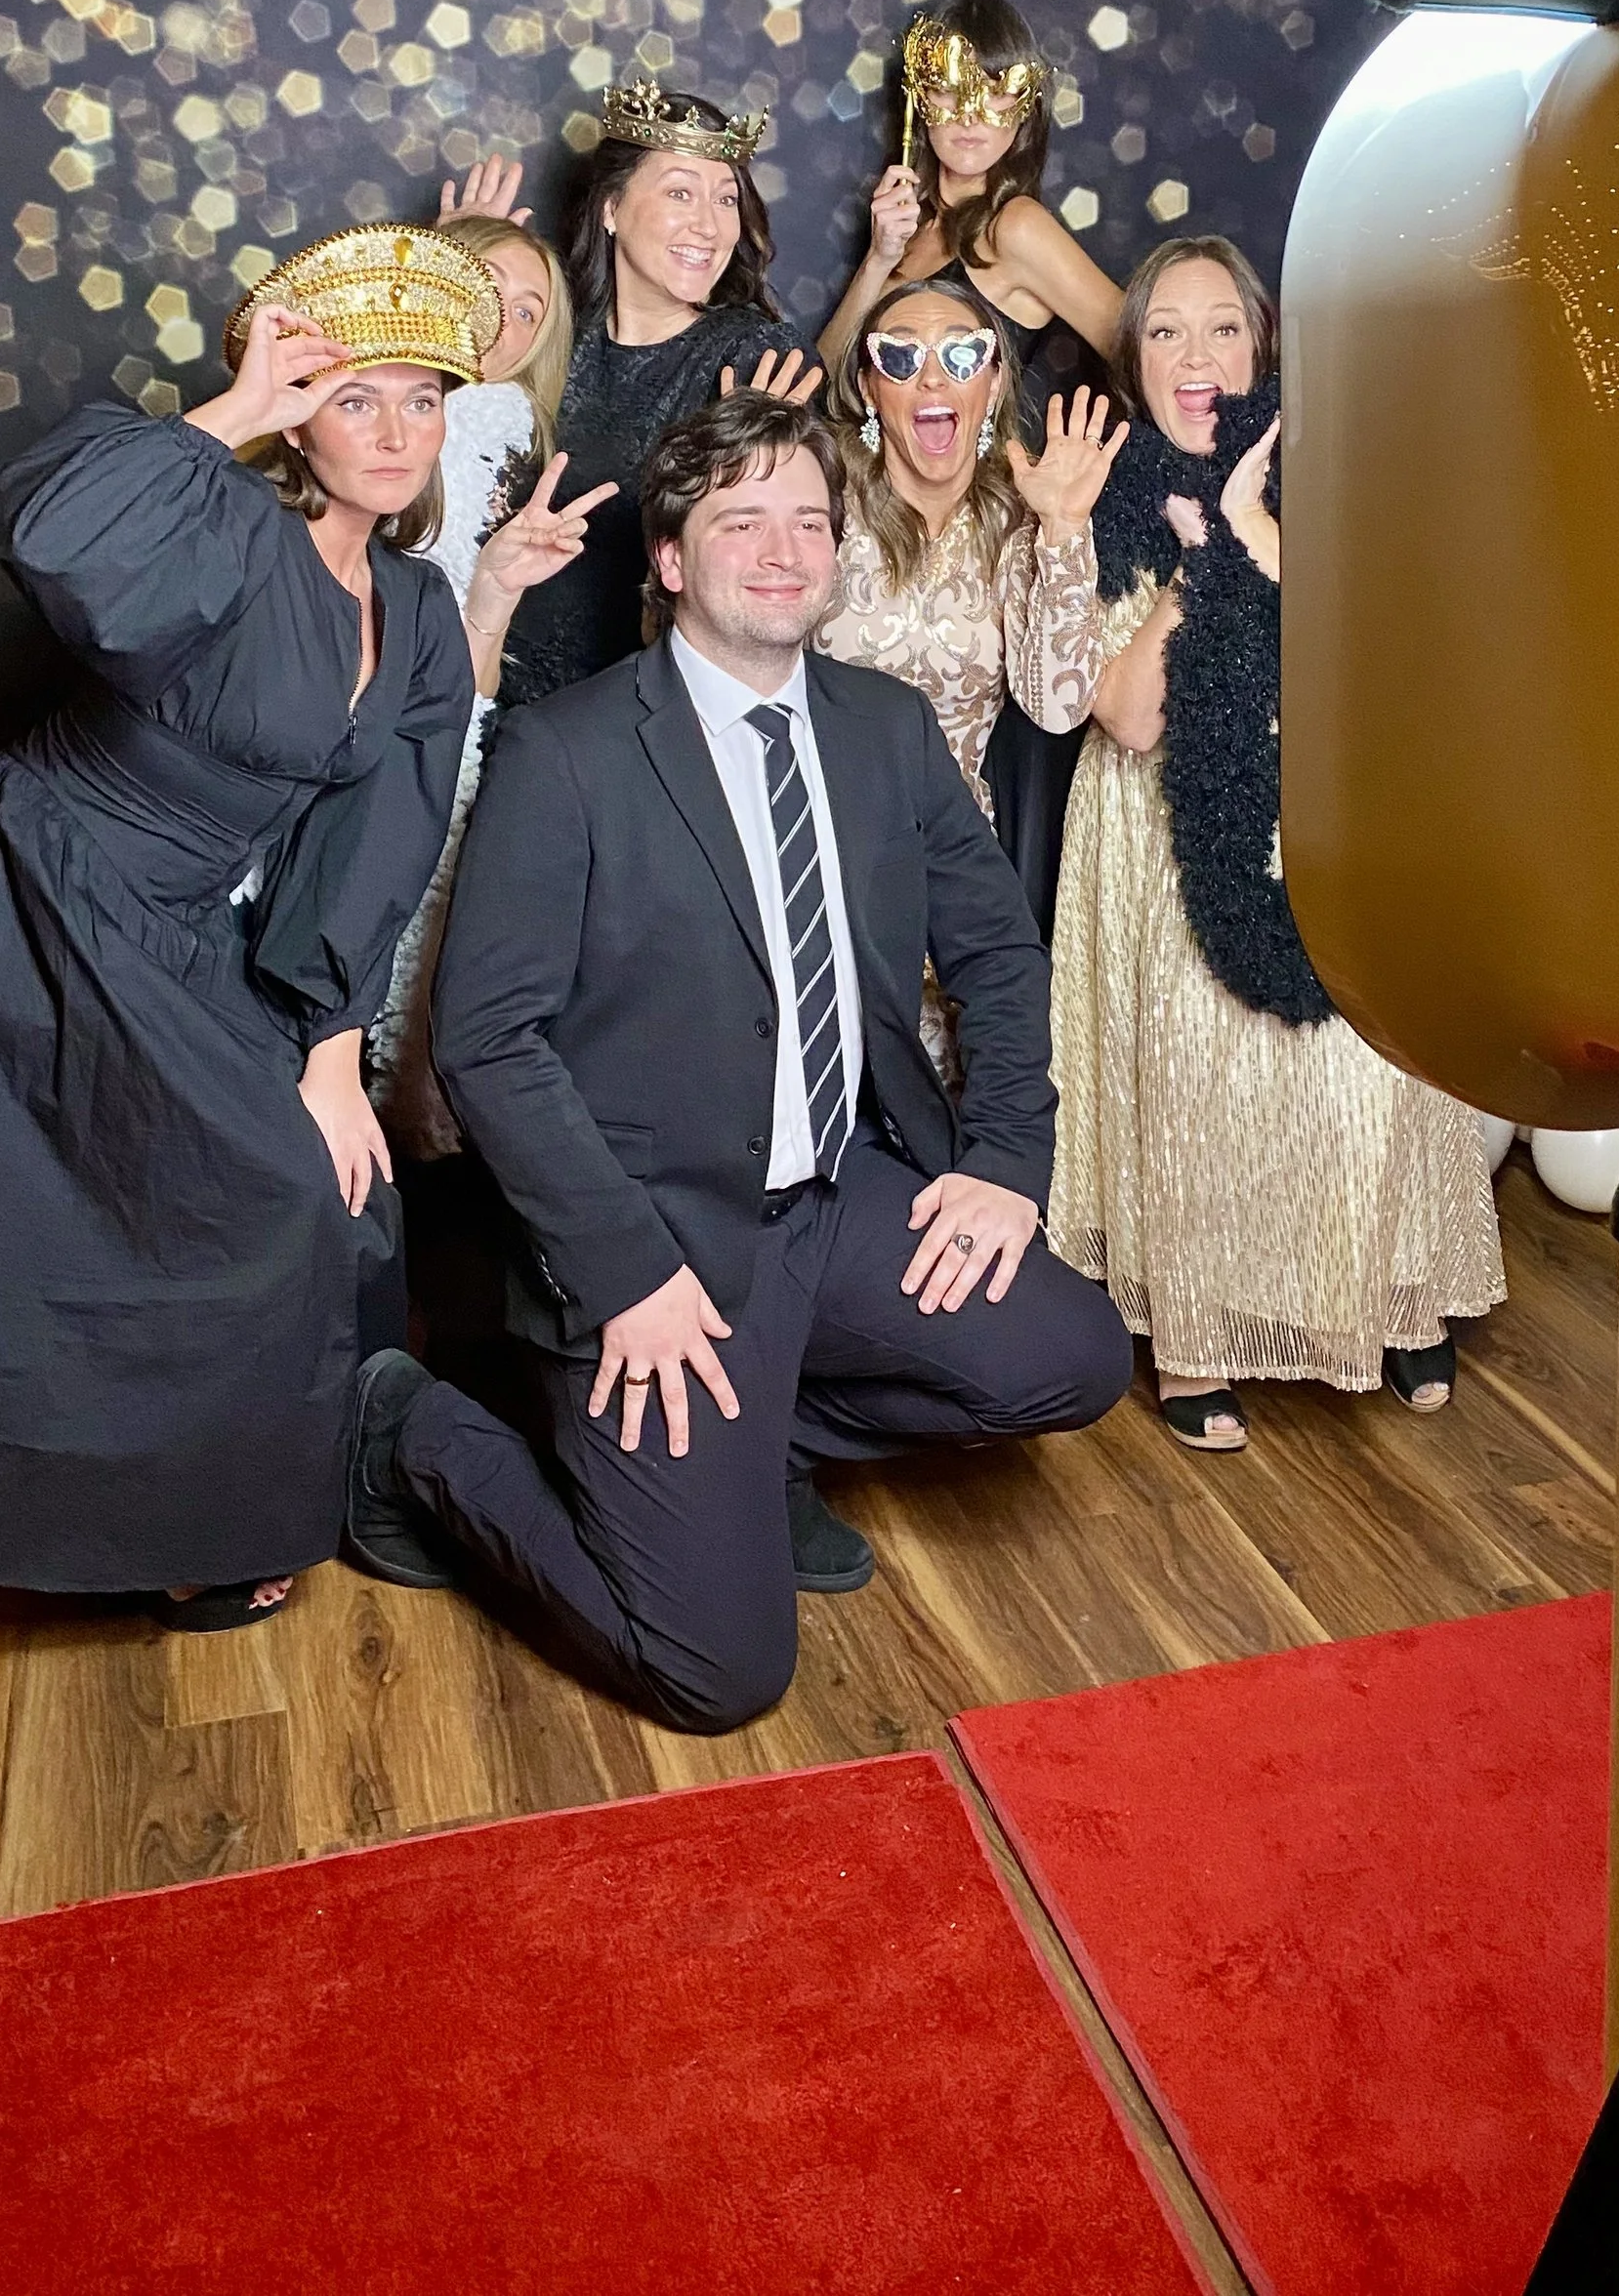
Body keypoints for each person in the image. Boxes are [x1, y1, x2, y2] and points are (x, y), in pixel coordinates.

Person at [343, 389, 1134, 1736]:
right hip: (654, 1244)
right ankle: (405, 1426)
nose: (784, 550)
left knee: (1072, 1355)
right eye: (742, 520)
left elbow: (999, 955)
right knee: (718, 1673)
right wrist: (625, 1276)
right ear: (669, 559)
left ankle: (751, 1429)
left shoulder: (885, 731)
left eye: (811, 522)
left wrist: (1005, 1158)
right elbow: (485, 1039)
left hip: (836, 1196)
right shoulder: (571, 748)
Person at [0, 226, 494, 1625]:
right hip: (24, 878)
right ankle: (111, 1525)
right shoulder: (226, 524)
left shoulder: (414, 604)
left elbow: (375, 847)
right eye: (357, 396)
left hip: (169, 912)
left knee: (305, 1185)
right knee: (37, 1224)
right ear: (300, 418)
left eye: (421, 397)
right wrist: (228, 417)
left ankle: (214, 1493)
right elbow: (44, 527)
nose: (395, 428)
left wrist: (330, 1049)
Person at [1048, 236, 1504, 1454]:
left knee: (1365, 1057)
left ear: (1262, 347)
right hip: (1161, 828)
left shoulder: (1339, 468)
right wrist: (1205, 561)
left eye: (1222, 330)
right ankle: (1203, 1335)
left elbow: (1379, 653)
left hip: (1328, 803)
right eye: (1165, 333)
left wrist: (1252, 516)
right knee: (1201, 1071)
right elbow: (1130, 716)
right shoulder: (1097, 497)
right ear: (1132, 357)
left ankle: (1393, 1297)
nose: (1196, 358)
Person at [821, 0, 1127, 939]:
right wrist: (876, 263)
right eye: (950, 87)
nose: (969, 112)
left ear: (1025, 110)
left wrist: (1097, 479)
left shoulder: (1017, 226)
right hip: (892, 528)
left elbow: (1137, 342)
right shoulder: (912, 231)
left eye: (997, 91)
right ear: (917, 96)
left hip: (991, 535)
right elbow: (832, 385)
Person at [814, 280, 1119, 1081]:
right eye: (901, 355)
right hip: (814, 852)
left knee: (942, 1123)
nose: (932, 377)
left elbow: (1059, 706)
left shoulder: (1018, 525)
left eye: (961, 354)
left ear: (991, 386)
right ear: (869, 388)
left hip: (950, 870)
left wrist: (1062, 531)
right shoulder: (821, 508)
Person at [370, 172, 610, 1163]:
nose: (502, 325)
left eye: (526, 312)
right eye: (481, 294)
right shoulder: (408, 410)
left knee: (396, 967)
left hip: (431, 721)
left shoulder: (498, 423)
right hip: (378, 721)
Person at [496, 78, 821, 704]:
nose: (709, 225)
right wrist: (450, 276)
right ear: (611, 209)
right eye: (680, 192)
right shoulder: (550, 338)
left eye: (726, 200)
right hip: (496, 695)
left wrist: (756, 457)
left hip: (645, 717)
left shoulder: (757, 362)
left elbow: (766, 563)